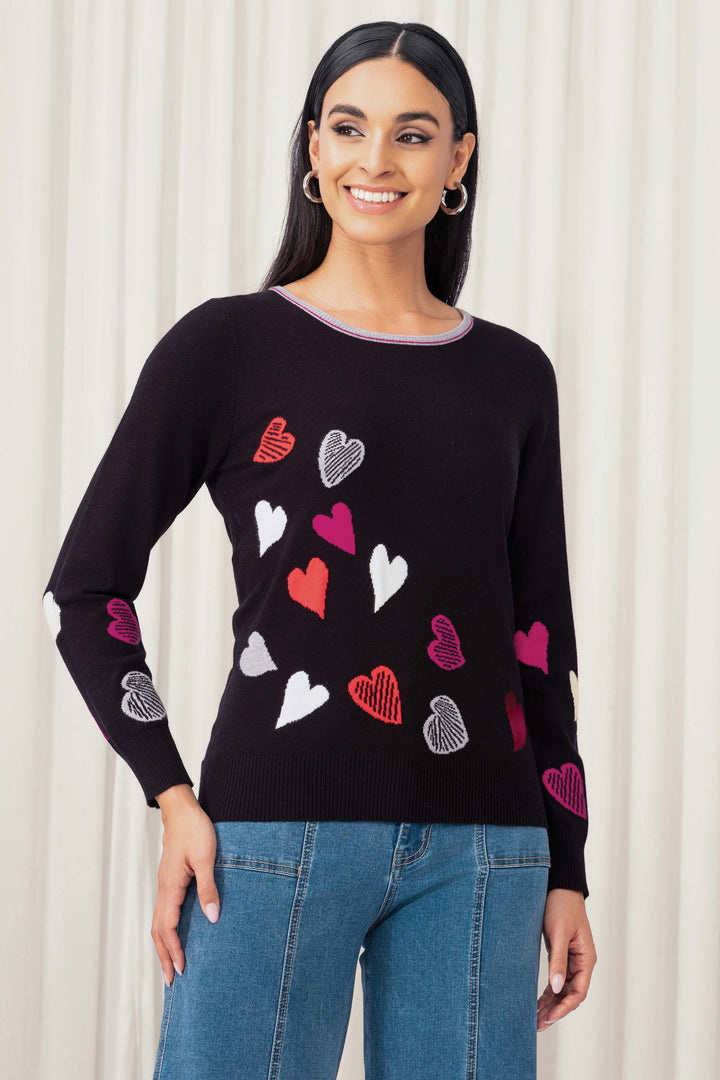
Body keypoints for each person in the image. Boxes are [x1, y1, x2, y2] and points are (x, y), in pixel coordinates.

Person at [42, 19, 597, 1080]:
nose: (375, 160)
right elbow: (86, 591)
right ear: (311, 145)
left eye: (412, 134)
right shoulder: (226, 347)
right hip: (266, 838)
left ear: (458, 160)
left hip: (486, 850)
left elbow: (538, 640)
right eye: (348, 128)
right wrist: (171, 796)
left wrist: (566, 867)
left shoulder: (515, 375)